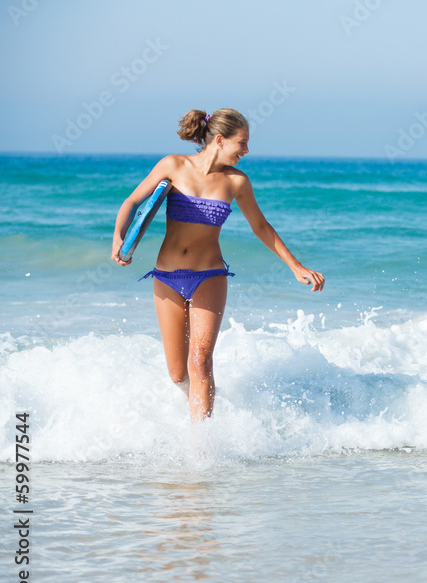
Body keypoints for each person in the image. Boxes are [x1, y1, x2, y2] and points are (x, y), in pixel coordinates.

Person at [111, 108, 325, 422]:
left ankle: (203, 447)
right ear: (221, 140)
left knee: (200, 362)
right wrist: (118, 237)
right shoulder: (173, 165)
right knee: (177, 374)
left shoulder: (237, 182)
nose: (247, 151)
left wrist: (296, 266)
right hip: (167, 276)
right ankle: (206, 402)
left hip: (209, 275)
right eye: (243, 143)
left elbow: (261, 227)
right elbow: (133, 202)